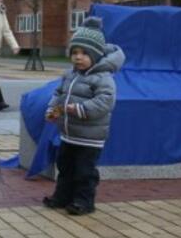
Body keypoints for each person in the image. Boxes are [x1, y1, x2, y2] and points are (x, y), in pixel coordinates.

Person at [43, 16, 124, 215]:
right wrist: (53, 110)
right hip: (68, 135)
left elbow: (105, 101)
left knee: (84, 172)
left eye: (84, 53)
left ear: (95, 55)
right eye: (75, 53)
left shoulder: (103, 78)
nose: (78, 57)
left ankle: (83, 201)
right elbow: (59, 95)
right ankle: (62, 196)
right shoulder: (70, 75)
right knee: (65, 167)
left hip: (89, 138)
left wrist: (81, 109)